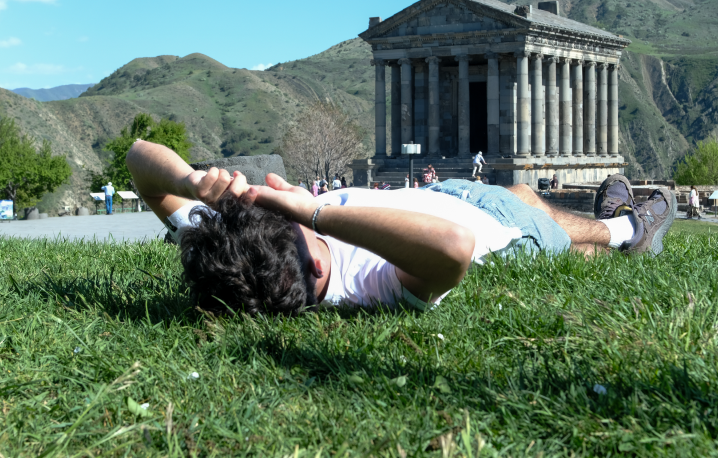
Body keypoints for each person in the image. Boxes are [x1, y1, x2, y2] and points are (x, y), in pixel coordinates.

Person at [126, 141, 677, 316]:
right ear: (317, 262)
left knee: (521, 193)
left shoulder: (234, 256)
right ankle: (628, 230)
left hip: (442, 195)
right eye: (289, 223)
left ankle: (615, 226)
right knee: (537, 212)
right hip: (499, 231)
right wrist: (311, 210)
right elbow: (453, 248)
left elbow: (139, 161)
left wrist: (194, 182)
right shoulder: (362, 286)